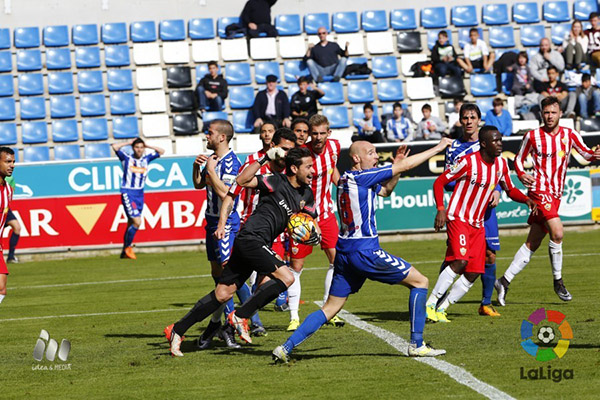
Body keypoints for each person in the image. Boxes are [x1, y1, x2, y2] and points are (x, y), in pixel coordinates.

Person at [271, 138, 453, 363]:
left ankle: (285, 347)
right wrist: (437, 148)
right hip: (364, 250)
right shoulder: (363, 177)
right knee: (421, 282)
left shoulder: (348, 179)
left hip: (344, 252)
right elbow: (406, 167)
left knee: (331, 307)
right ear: (356, 158)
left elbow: (385, 191)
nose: (376, 157)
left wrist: (394, 166)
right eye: (371, 153)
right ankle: (416, 344)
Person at [165, 147, 318, 356]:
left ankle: (177, 330)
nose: (313, 171)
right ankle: (240, 315)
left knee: (222, 293)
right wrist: (264, 158)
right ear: (294, 168)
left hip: (255, 243)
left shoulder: (306, 194)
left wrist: (312, 234)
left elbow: (310, 222)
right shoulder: (275, 181)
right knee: (287, 277)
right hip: (250, 239)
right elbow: (242, 181)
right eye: (308, 166)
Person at [495, 96, 600, 306]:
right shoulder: (533, 136)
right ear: (541, 114)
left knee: (533, 242)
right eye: (546, 113)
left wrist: (596, 154)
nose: (550, 116)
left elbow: (586, 155)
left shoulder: (570, 135)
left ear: (560, 113)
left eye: (553, 112)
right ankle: (558, 281)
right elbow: (517, 158)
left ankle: (503, 281)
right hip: (539, 190)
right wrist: (522, 173)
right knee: (558, 232)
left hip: (556, 194)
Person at [426, 126, 536, 322]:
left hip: (478, 224)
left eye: (500, 140)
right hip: (458, 217)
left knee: (475, 271)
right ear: (484, 144)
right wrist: (440, 208)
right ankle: (430, 304)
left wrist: (526, 200)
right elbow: (439, 182)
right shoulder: (467, 162)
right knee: (460, 261)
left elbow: (510, 190)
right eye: (495, 140)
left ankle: (443, 308)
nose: (500, 143)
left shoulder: (501, 164)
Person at [428, 104, 507, 322]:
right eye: (465, 117)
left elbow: (498, 174)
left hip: (485, 209)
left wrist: (497, 191)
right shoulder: (454, 148)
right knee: (456, 255)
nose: (469, 121)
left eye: (473, 117)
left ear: (479, 120)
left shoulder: (489, 145)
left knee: (489, 254)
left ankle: (486, 302)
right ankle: (437, 300)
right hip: (463, 209)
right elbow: (447, 180)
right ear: (460, 121)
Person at [191, 119, 266, 348]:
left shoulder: (233, 164)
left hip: (228, 223)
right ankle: (247, 320)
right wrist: (197, 168)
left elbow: (227, 194)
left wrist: (211, 172)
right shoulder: (212, 160)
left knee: (228, 274)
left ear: (222, 137)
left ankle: (236, 323)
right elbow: (198, 184)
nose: (206, 136)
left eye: (210, 133)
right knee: (217, 270)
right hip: (211, 222)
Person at [232, 125, 298, 313]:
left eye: (290, 151)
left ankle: (244, 318)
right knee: (234, 281)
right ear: (274, 145)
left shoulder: (287, 169)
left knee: (268, 281)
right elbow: (237, 187)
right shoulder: (253, 161)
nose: (287, 154)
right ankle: (243, 318)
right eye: (285, 149)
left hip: (274, 230)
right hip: (250, 226)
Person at [286, 114, 343, 331]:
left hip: (327, 213)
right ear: (309, 133)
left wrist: (343, 186)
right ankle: (293, 317)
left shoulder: (335, 147)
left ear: (329, 133)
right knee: (296, 266)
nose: (318, 138)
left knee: (336, 261)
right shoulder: (302, 154)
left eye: (322, 133)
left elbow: (333, 170)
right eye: (314, 133)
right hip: (304, 217)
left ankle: (331, 309)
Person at [111, 138, 164, 259]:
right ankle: (128, 248)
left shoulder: (146, 159)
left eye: (141, 147)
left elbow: (162, 151)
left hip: (140, 194)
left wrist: (148, 145)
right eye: (137, 147)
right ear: (133, 148)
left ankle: (125, 251)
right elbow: (115, 146)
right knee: (137, 222)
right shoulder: (127, 158)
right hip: (128, 193)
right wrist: (128, 143)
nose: (139, 150)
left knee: (131, 222)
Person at [0, 147, 15, 305]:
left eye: (13, 162)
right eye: (7, 162)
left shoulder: (8, 190)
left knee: (1, 289)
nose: (12, 165)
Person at [5, 176, 20, 263]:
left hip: (5, 208)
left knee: (17, 228)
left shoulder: (10, 177)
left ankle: (11, 257)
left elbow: (11, 192)